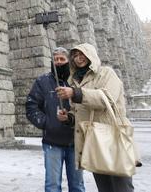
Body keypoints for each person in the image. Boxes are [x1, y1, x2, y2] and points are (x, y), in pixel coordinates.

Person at [56, 43, 136, 192]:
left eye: (82, 55)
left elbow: (107, 99)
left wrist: (76, 93)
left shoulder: (106, 73)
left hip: (112, 136)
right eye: (75, 56)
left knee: (121, 186)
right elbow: (78, 109)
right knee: (103, 186)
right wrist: (69, 118)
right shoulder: (74, 81)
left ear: (90, 55)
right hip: (93, 140)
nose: (78, 59)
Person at [26, 47, 85, 192]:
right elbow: (31, 106)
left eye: (62, 59)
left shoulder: (77, 80)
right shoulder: (42, 81)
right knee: (52, 186)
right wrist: (47, 123)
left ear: (68, 61)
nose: (58, 62)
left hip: (75, 141)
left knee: (77, 186)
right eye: (56, 59)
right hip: (52, 142)